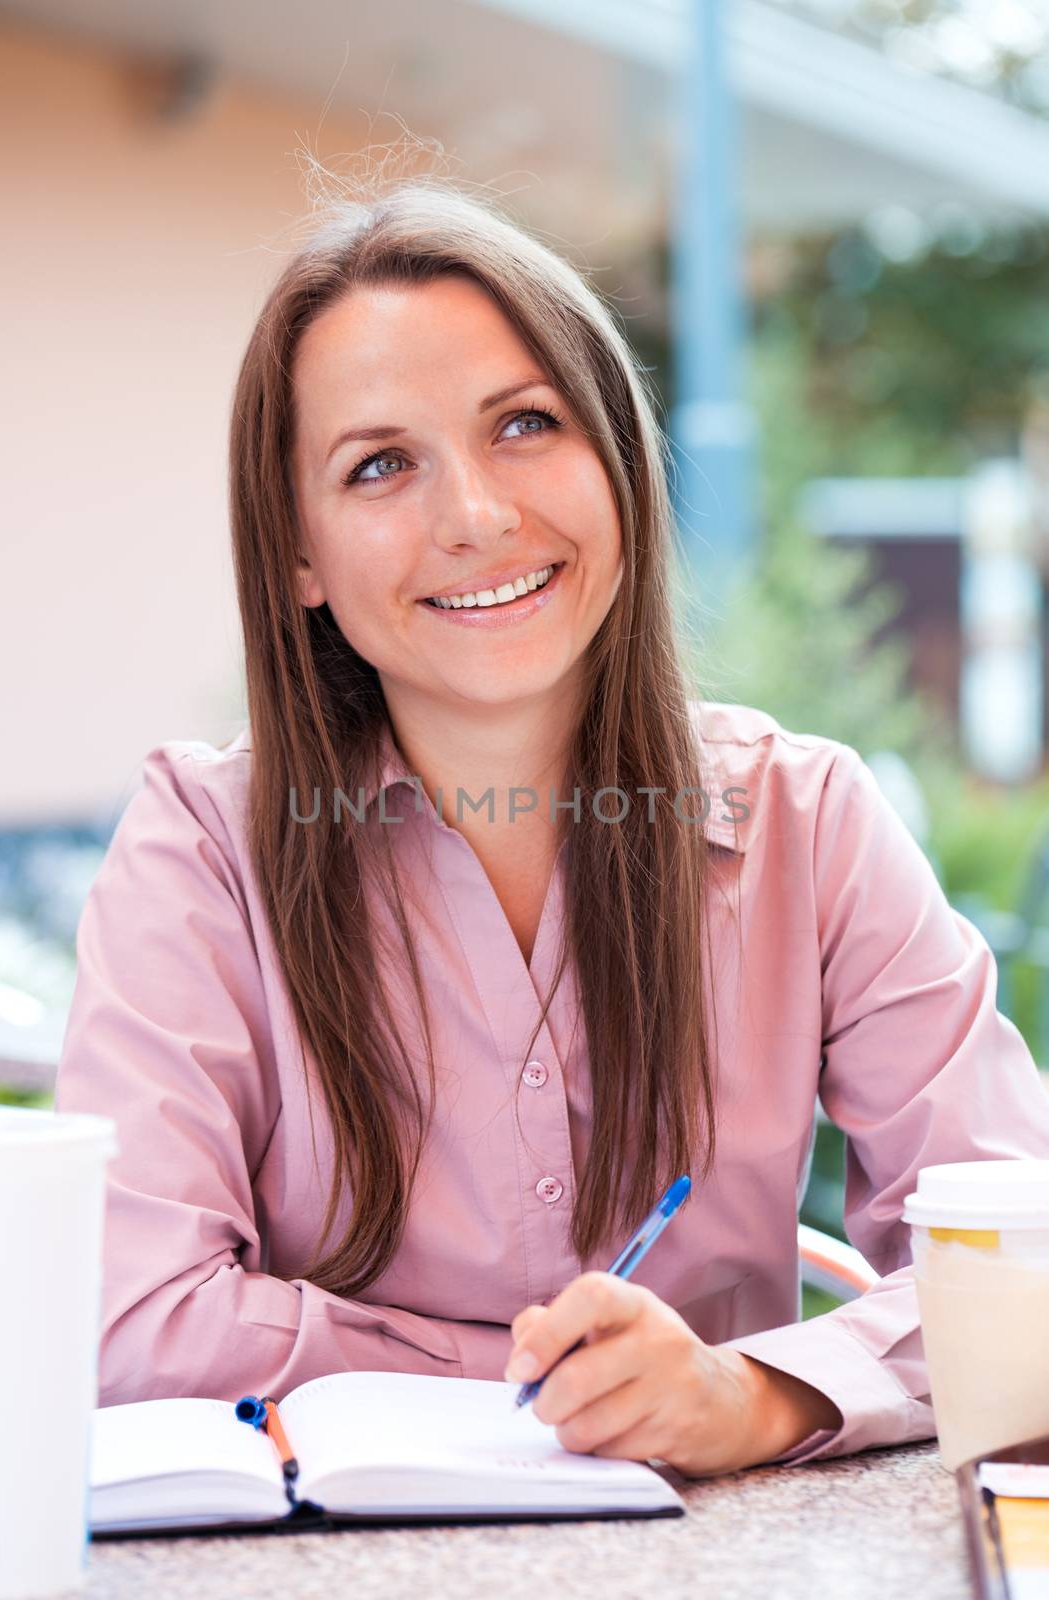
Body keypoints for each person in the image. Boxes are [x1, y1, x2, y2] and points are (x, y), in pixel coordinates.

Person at [55, 174, 1049, 1480]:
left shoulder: (809, 820)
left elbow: (1022, 1266)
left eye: (524, 424)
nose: (473, 515)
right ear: (299, 553)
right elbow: (126, 1318)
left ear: (619, 461)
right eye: (381, 464)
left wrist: (746, 1396)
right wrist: (592, 1388)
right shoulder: (202, 849)